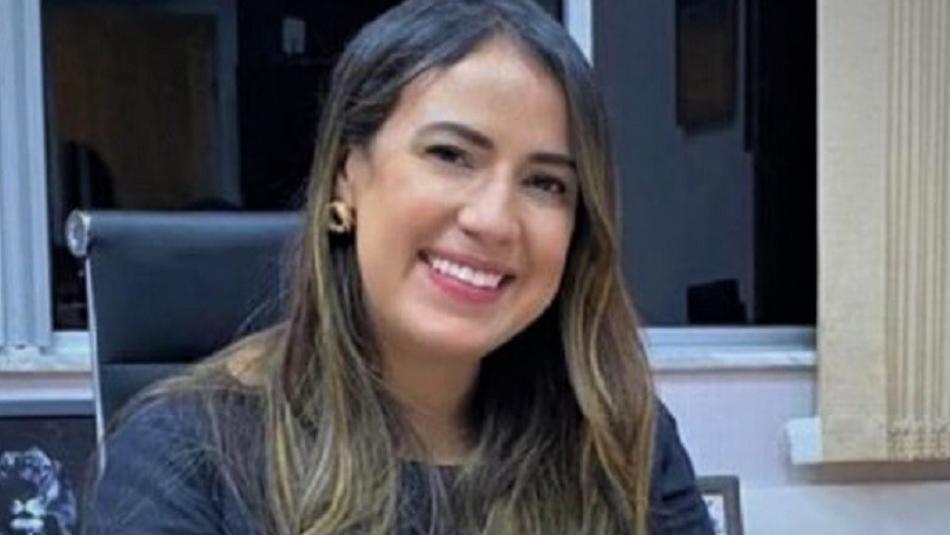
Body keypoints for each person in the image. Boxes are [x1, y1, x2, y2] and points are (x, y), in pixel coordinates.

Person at [86, 0, 712, 533]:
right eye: (450, 155)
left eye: (546, 184)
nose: (494, 219)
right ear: (346, 177)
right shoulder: (185, 457)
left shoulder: (620, 442)